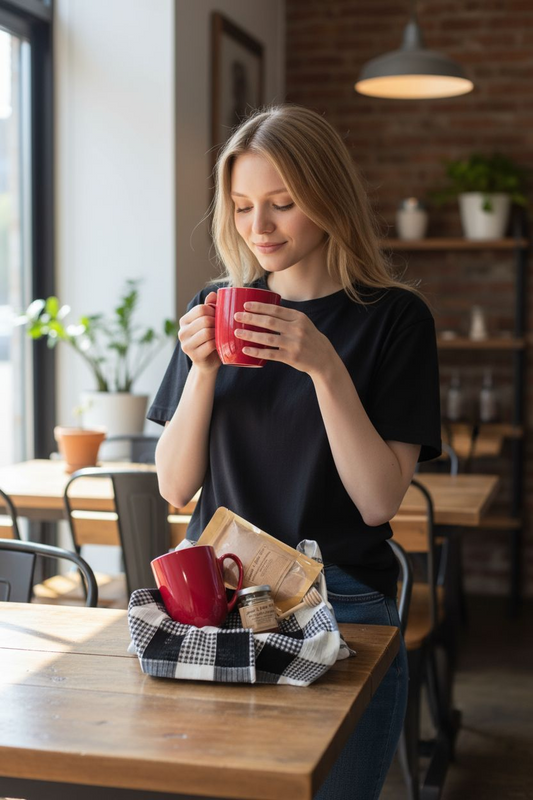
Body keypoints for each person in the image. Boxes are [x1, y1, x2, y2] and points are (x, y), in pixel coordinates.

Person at [148, 104, 441, 799]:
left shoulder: (394, 318)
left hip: (340, 605)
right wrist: (203, 371)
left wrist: (325, 367)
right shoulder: (216, 304)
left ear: (329, 197)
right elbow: (175, 486)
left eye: (282, 204)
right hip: (216, 604)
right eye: (242, 206)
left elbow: (378, 501)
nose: (260, 227)